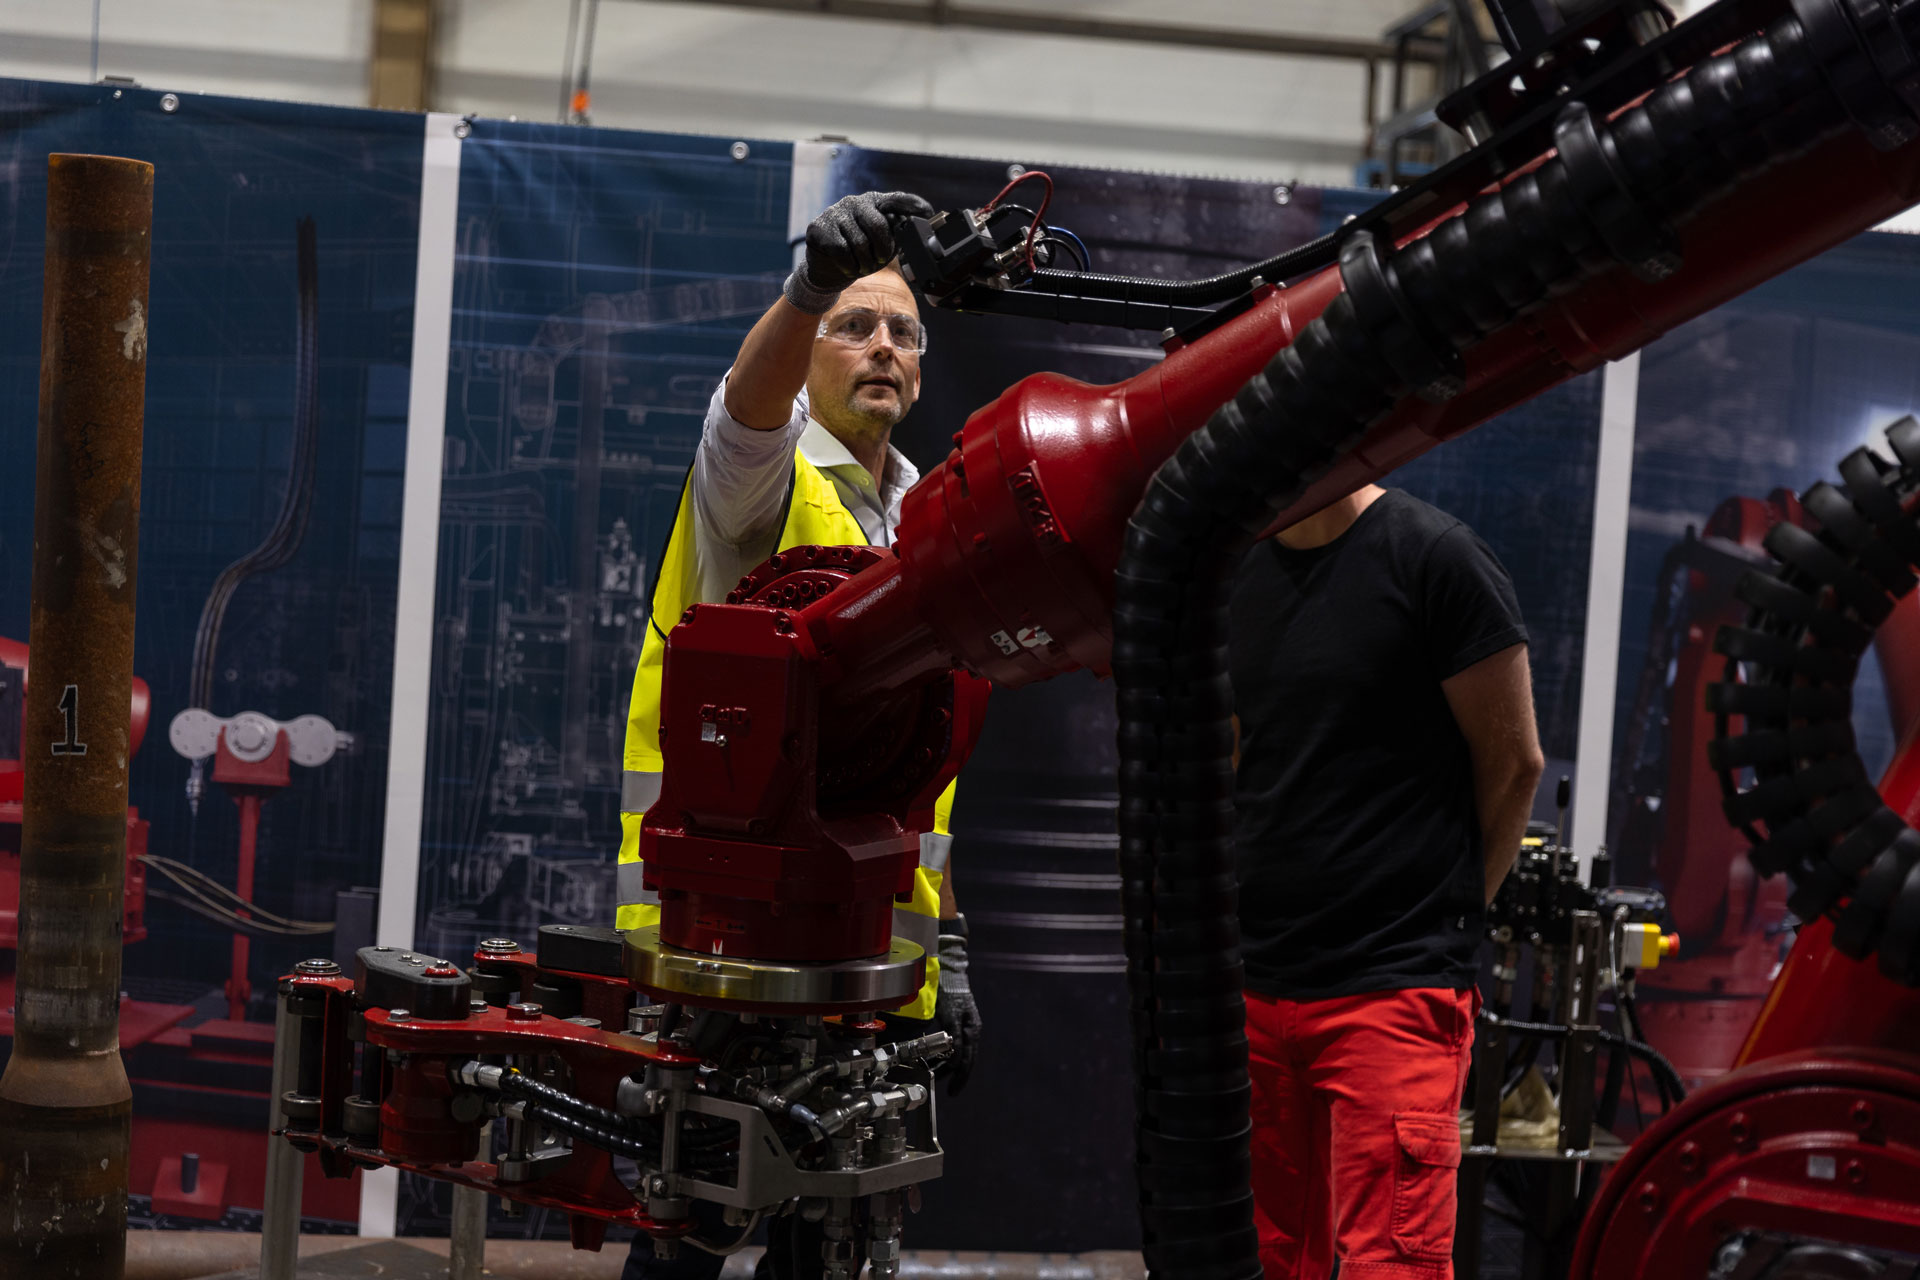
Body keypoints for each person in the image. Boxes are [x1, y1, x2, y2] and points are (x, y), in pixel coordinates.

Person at [617, 190, 982, 1280]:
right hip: (725, 968)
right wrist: (805, 289)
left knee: (831, 1252)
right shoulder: (761, 490)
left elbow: (920, 782)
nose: (883, 345)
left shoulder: (927, 518)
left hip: (874, 975)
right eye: (854, 325)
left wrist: (951, 950)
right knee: (686, 1248)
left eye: (904, 331)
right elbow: (744, 413)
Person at [1229, 484, 1545, 1280]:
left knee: (1390, 1267)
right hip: (1261, 988)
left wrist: (1441, 913)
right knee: (1265, 1257)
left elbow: (1513, 766)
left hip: (1392, 993)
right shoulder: (1238, 575)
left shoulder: (1436, 559)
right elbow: (1242, 759)